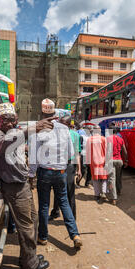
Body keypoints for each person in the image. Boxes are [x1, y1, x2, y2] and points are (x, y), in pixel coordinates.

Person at [0, 102, 54, 269]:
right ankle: (30, 264)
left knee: (33, 221)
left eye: (13, 120)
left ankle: (28, 256)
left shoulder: (11, 134)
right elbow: (4, 145)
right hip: (15, 188)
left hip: (22, 185)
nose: (10, 123)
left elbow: (15, 146)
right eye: (6, 120)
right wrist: (29, 130)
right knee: (26, 227)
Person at [28, 99, 83, 249]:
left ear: (41, 113)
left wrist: (31, 175)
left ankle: (43, 237)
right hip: (61, 172)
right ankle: (75, 234)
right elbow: (71, 153)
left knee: (44, 205)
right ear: (55, 114)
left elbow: (33, 156)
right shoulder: (65, 129)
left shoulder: (37, 129)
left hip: (45, 172)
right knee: (64, 203)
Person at [49, 114, 82, 221]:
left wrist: (79, 169)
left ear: (68, 124)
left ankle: (72, 217)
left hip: (69, 165)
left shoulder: (75, 135)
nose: (60, 124)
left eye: (63, 122)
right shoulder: (55, 134)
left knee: (69, 191)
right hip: (57, 164)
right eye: (60, 122)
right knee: (57, 188)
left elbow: (77, 153)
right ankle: (55, 212)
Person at [86, 125, 109, 204]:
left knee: (95, 179)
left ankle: (96, 194)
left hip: (93, 162)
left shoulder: (90, 139)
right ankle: (103, 192)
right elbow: (107, 151)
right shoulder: (104, 139)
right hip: (102, 161)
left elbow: (88, 152)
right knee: (104, 178)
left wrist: (88, 162)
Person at [106, 124, 128, 204]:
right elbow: (125, 151)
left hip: (111, 161)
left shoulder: (108, 139)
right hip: (119, 161)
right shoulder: (120, 139)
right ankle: (119, 191)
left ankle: (114, 198)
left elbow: (107, 151)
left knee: (112, 179)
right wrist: (126, 161)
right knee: (118, 177)